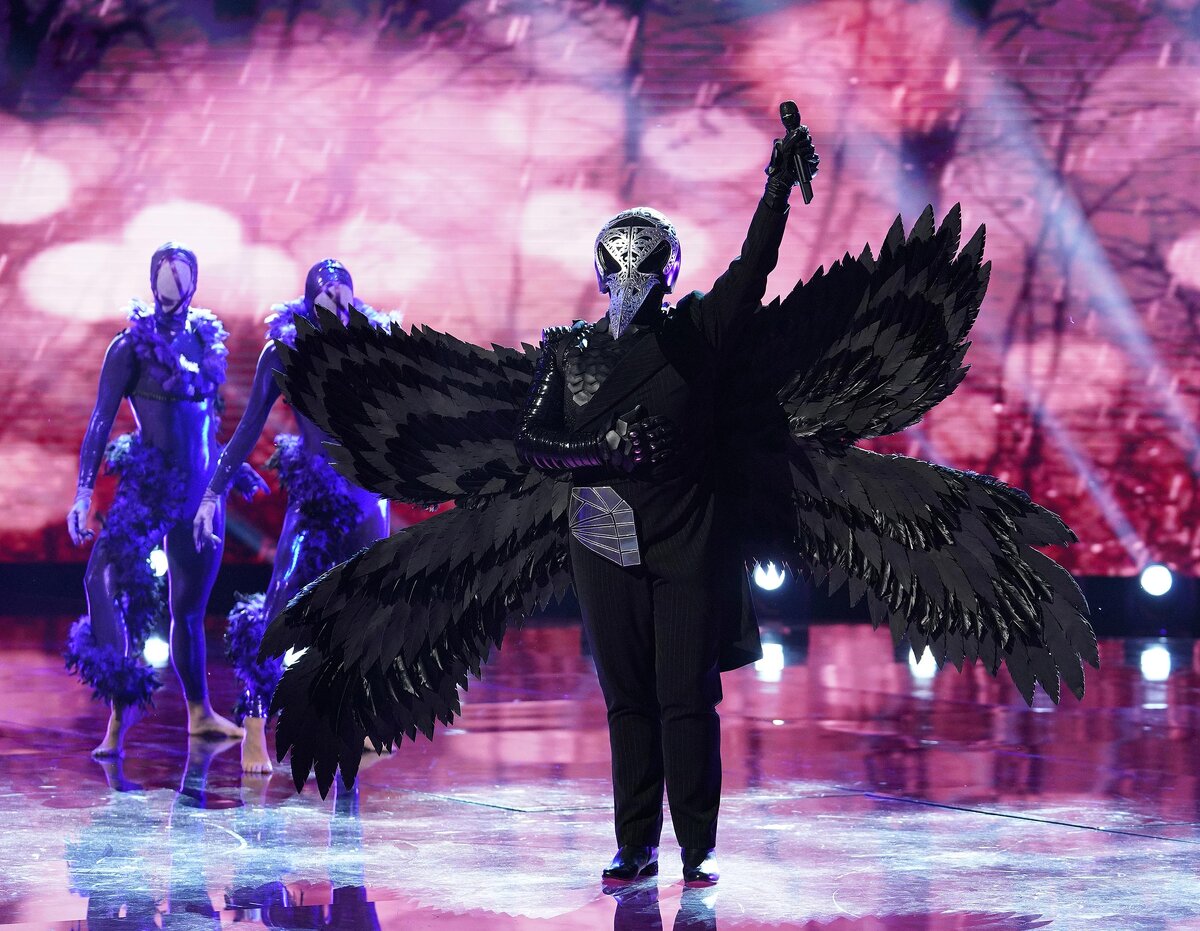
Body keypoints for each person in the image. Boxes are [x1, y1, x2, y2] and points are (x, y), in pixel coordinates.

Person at [255, 104, 1097, 885]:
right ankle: (634, 844)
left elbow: (752, 271)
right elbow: (534, 441)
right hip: (600, 539)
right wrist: (602, 448)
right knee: (629, 699)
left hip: (690, 539)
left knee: (686, 698)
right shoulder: (567, 350)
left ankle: (695, 845)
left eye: (644, 265)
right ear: (602, 271)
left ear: (664, 273)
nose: (630, 279)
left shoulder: (698, 332)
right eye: (620, 265)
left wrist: (776, 190)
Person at [194, 259, 390, 774]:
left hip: (367, 496)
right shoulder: (283, 351)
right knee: (282, 606)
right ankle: (254, 723)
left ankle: (351, 716)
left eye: (345, 295)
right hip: (314, 494)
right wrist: (213, 494)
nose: (338, 304)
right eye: (327, 296)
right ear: (308, 301)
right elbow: (247, 428)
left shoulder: (372, 347)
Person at [66, 242, 257, 757]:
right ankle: (117, 713)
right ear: (152, 281)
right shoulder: (129, 347)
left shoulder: (206, 339)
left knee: (188, 610)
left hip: (201, 492)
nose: (174, 281)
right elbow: (100, 421)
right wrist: (83, 493)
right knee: (102, 576)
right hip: (151, 488)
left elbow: (210, 423)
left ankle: (200, 713)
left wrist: (224, 478)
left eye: (183, 274)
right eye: (165, 273)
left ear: (195, 283)